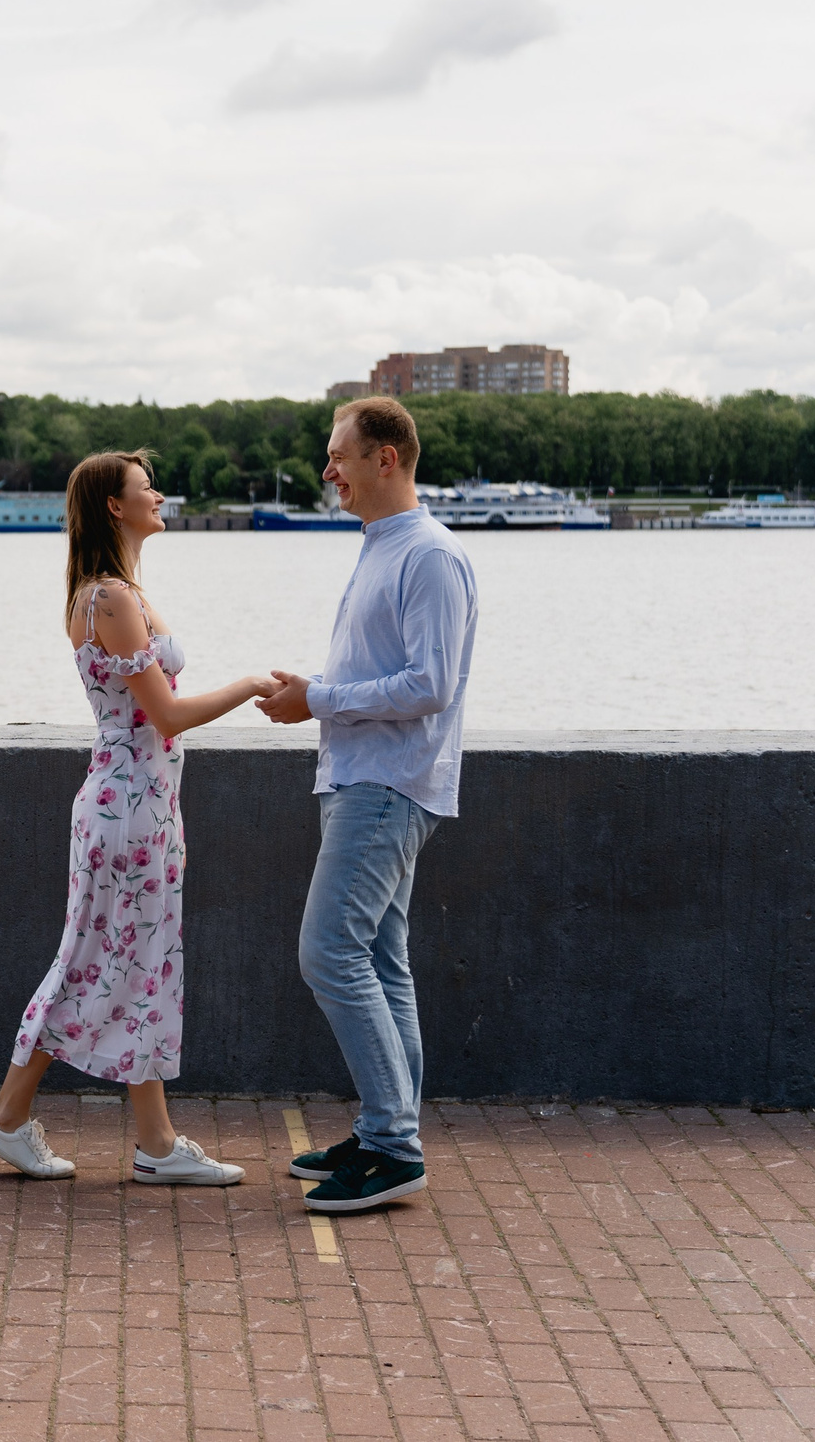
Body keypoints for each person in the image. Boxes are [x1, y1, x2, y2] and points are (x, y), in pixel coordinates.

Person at [0, 449, 276, 1186]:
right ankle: (9, 1118)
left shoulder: (122, 591)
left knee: (141, 962)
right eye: (148, 487)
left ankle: (155, 1141)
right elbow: (165, 711)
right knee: (92, 961)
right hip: (128, 808)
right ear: (115, 505)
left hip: (141, 802)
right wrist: (250, 684)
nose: (161, 492)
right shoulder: (109, 598)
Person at [256, 397, 476, 1212]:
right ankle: (388, 1132)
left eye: (338, 454)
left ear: (386, 456)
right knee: (381, 961)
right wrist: (317, 700)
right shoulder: (385, 547)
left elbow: (431, 684)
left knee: (329, 953)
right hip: (362, 778)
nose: (327, 470)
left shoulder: (430, 556)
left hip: (387, 785)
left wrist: (319, 698)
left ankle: (394, 1145)